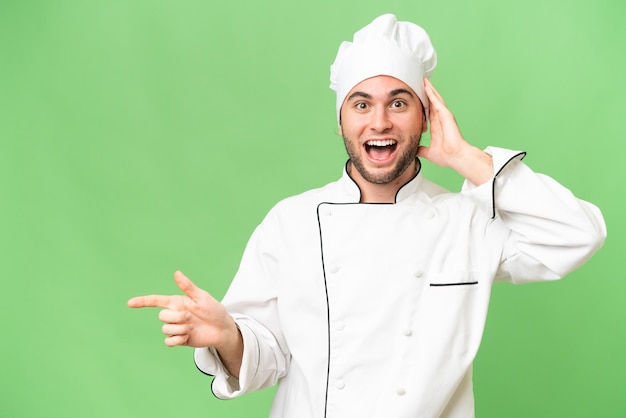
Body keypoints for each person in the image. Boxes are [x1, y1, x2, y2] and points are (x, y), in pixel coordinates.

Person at [128, 14, 606, 418]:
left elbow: (578, 235)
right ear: (341, 120)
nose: (379, 122)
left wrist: (464, 156)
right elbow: (268, 357)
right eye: (362, 104)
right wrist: (229, 337)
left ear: (425, 117)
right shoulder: (291, 222)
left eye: (399, 103)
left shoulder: (469, 220)